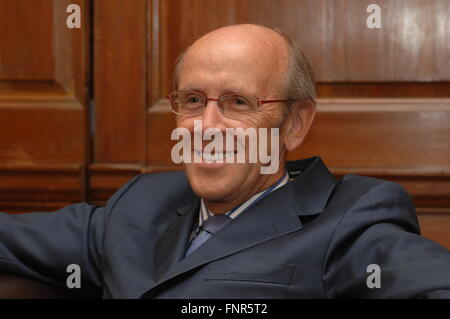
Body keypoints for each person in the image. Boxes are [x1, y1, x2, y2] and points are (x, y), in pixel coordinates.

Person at [0, 24, 449, 299]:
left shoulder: (351, 218)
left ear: (294, 123)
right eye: (193, 100)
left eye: (237, 103)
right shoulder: (140, 204)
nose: (206, 126)